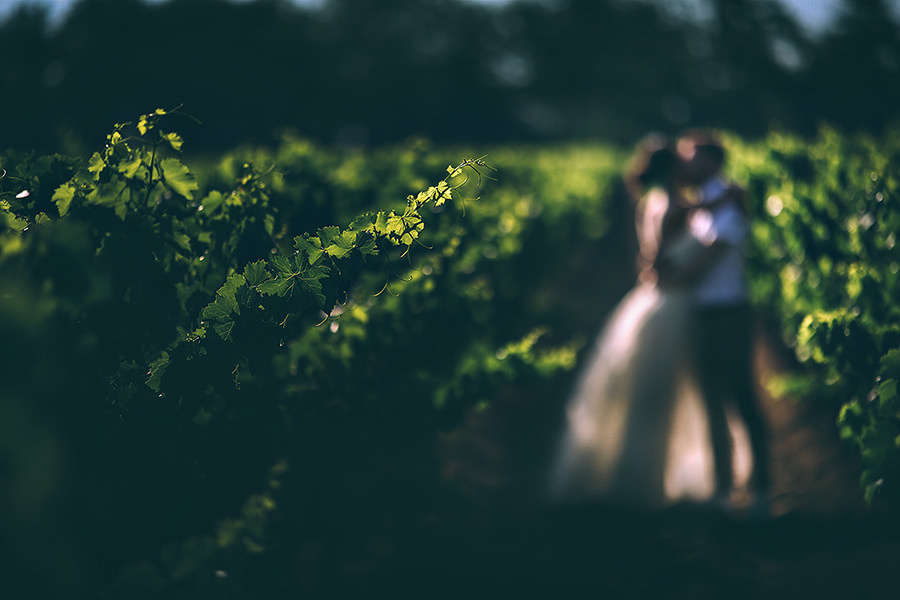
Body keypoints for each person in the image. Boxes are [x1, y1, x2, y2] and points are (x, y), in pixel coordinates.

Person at [548, 135, 718, 508]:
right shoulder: (677, 204)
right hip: (674, 303)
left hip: (655, 301)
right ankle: (650, 483)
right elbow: (657, 262)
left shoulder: (652, 202)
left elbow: (645, 261)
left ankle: (640, 478)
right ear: (674, 167)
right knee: (664, 397)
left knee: (648, 396)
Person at [676, 130, 771, 514]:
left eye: (693, 157)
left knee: (742, 398)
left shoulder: (728, 207)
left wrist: (663, 275)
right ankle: (723, 489)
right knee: (712, 401)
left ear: (713, 162)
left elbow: (704, 263)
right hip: (705, 315)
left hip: (729, 313)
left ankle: (761, 490)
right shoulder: (707, 203)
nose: (687, 164)